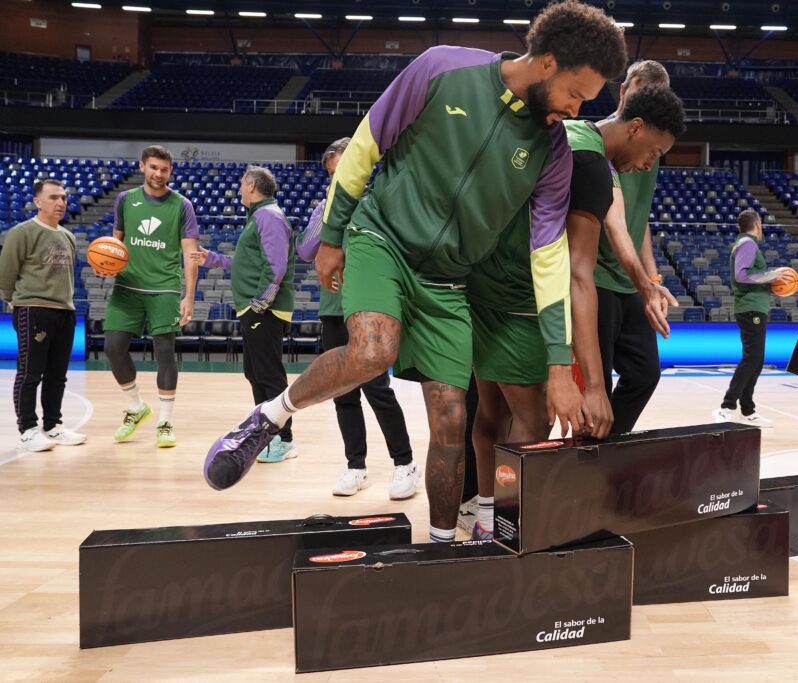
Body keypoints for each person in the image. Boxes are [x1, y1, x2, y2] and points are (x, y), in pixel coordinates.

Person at [203, 0, 628, 547]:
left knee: (452, 419)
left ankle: (441, 548)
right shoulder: (442, 67)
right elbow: (366, 144)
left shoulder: (554, 153)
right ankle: (269, 416)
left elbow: (548, 259)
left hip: (449, 280)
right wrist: (332, 235)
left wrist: (557, 364)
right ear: (548, 62)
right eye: (575, 93)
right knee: (373, 350)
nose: (575, 109)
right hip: (382, 238)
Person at [466, 86, 685, 539]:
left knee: (490, 412)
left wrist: (645, 283)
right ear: (636, 128)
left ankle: (487, 517)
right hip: (520, 298)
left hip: (480, 283)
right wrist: (597, 388)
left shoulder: (573, 133)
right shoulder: (590, 164)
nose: (650, 164)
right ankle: (514, 529)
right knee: (533, 421)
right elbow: (579, 276)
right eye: (654, 151)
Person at [296, 138, 418, 499]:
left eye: (343, 172)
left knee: (378, 390)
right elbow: (305, 250)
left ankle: (405, 463)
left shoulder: (378, 204)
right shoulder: (326, 208)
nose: (338, 181)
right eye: (332, 176)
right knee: (342, 393)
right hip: (333, 308)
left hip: (368, 308)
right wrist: (326, 210)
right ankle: (356, 466)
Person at [194, 166, 297, 463]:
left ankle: (284, 439)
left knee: (269, 375)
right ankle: (265, 434)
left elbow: (276, 267)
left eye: (242, 183)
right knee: (255, 373)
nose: (240, 188)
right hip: (256, 309)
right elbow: (246, 263)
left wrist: (259, 304)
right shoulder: (259, 216)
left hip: (264, 309)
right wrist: (213, 259)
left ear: (251, 185)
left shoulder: (269, 216)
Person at [596, 59, 676, 434]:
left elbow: (638, 217)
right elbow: (613, 220)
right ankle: (590, 452)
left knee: (645, 374)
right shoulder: (600, 141)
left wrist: (652, 278)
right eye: (642, 94)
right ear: (624, 90)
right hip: (595, 278)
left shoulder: (650, 151)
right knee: (595, 387)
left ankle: (606, 445)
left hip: (631, 281)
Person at [105, 145, 199, 448]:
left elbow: (191, 253)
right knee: (113, 347)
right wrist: (105, 264)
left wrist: (189, 296)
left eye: (164, 169)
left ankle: (165, 421)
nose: (159, 174)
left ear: (170, 171)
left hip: (164, 288)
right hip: (127, 286)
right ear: (142, 166)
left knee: (165, 353)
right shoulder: (125, 199)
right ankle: (136, 406)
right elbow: (115, 243)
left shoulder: (182, 205)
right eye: (154, 167)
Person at [0, 179, 86, 452]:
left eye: (63, 198)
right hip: (33, 309)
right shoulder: (21, 232)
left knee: (57, 375)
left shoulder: (68, 236)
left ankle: (52, 426)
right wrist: (16, 301)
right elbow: (6, 274)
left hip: (65, 311)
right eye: (53, 197)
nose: (60, 203)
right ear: (37, 201)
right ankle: (27, 430)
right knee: (29, 373)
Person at [711, 209, 780, 428]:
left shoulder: (745, 243)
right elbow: (742, 275)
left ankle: (748, 411)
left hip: (754, 308)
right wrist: (773, 275)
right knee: (752, 358)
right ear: (758, 224)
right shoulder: (748, 243)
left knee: (756, 360)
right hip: (750, 309)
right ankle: (727, 406)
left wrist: (771, 281)